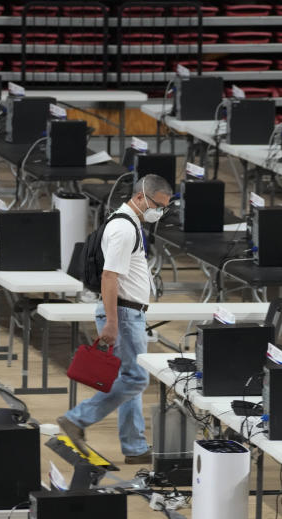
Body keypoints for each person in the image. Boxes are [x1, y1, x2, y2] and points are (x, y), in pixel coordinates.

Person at [57, 174, 173, 464]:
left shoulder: (128, 223)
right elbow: (110, 276)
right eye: (157, 205)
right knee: (135, 380)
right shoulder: (123, 228)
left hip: (126, 311)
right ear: (140, 197)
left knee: (128, 379)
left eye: (164, 207)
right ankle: (76, 420)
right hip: (121, 312)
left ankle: (134, 448)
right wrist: (111, 321)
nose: (159, 211)